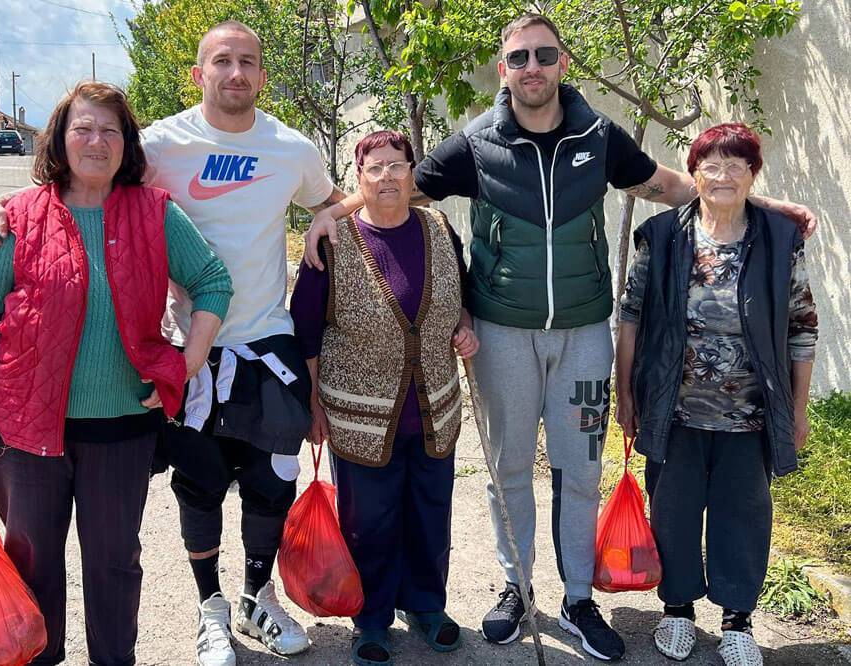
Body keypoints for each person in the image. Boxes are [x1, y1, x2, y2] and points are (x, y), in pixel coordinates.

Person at [303, 13, 817, 662]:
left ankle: (578, 599)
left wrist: (766, 206)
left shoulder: (599, 136)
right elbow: (398, 189)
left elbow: (672, 186)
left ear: (563, 63)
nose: (533, 67)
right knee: (508, 470)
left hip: (584, 338)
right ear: (503, 69)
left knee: (580, 471)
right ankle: (516, 588)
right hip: (502, 336)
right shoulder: (476, 143)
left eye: (544, 55)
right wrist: (331, 214)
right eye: (519, 57)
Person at [0, 21, 349, 666]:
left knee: (270, 486)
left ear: (263, 75)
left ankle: (257, 597)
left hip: (266, 340)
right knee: (198, 487)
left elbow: (341, 199)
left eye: (247, 62)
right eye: (221, 61)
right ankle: (210, 608)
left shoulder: (293, 148)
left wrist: (327, 216)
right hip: (182, 355)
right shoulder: (163, 142)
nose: (235, 72)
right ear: (198, 74)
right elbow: (77, 186)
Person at [0, 81, 233, 666]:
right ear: (59, 138)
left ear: (127, 143)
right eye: (83, 128)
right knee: (32, 561)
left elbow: (212, 281)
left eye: (111, 130)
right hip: (26, 430)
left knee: (113, 562)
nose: (96, 141)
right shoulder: (17, 217)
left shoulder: (154, 212)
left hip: (122, 426)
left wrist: (187, 361)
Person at [614, 123, 817, 666]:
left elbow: (802, 327)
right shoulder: (662, 236)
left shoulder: (779, 239)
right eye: (712, 165)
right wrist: (625, 394)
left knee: (743, 517)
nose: (723, 175)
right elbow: (630, 316)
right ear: (694, 173)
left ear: (753, 174)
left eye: (736, 164)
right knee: (673, 513)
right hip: (673, 409)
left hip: (750, 415)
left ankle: (737, 621)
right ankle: (677, 611)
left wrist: (797, 411)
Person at [290, 130, 478, 666]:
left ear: (412, 172)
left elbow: (461, 296)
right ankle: (370, 618)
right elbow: (306, 328)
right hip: (359, 415)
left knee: (430, 512)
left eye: (397, 165)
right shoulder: (332, 241)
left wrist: (464, 327)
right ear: (358, 177)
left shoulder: (439, 228)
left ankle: (426, 605)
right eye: (375, 168)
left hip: (435, 407)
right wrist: (313, 403)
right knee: (368, 521)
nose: (387, 176)